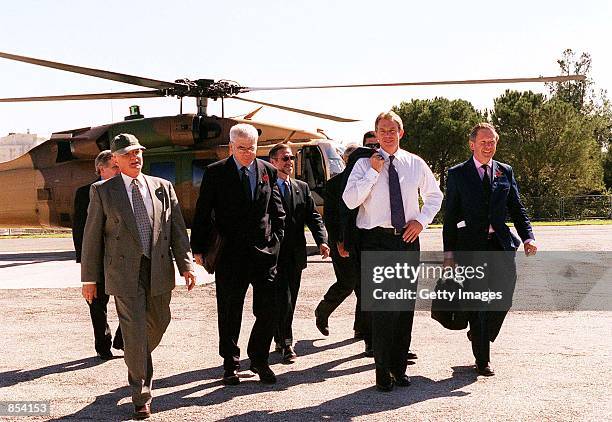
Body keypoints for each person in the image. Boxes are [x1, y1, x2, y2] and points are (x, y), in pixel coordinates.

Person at [81, 134, 196, 420]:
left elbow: (178, 231)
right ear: (115, 160)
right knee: (133, 331)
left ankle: (136, 353)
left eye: (138, 152)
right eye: (128, 154)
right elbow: (92, 238)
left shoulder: (162, 187)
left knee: (159, 321)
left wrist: (187, 265)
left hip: (158, 268)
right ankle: (141, 394)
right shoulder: (103, 192)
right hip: (122, 272)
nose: (135, 157)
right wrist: (89, 280)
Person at [343, 111, 443, 391]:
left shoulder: (415, 163)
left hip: (407, 240)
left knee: (403, 308)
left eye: (392, 129)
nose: (387, 134)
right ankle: (382, 371)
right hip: (376, 240)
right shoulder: (364, 164)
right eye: (382, 130)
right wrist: (373, 173)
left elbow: (435, 196)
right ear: (375, 134)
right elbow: (350, 201)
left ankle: (399, 369)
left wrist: (421, 221)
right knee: (384, 309)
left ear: (401, 132)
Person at [190, 123, 285, 385]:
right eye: (241, 148)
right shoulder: (216, 173)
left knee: (269, 309)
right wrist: (197, 248)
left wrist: (277, 239)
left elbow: (276, 211)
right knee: (230, 311)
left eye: (252, 148)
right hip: (230, 255)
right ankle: (230, 362)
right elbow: (202, 212)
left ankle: (259, 359)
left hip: (264, 253)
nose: (247, 153)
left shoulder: (268, 171)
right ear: (231, 147)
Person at [443, 122, 537, 377]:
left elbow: (517, 208)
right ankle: (482, 359)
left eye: (492, 141)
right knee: (479, 303)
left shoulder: (505, 171)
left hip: (500, 245)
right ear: (472, 144)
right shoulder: (457, 174)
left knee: (504, 297)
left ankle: (478, 333)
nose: (488, 146)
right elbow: (449, 216)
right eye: (483, 142)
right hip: (470, 247)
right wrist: (449, 253)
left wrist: (528, 237)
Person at [269, 143, 329, 363]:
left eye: (291, 158)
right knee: (281, 299)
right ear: (273, 162)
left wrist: (322, 241)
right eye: (285, 158)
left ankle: (279, 337)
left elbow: (313, 217)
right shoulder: (266, 187)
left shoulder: (301, 188)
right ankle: (286, 342)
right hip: (272, 255)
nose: (289, 162)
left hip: (294, 255)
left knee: (290, 299)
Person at [72, 150, 122, 360]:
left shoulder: (126, 190)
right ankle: (103, 346)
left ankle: (122, 339)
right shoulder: (85, 193)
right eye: (115, 167)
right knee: (97, 303)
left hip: (121, 257)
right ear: (101, 169)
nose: (119, 171)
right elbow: (80, 229)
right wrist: (86, 265)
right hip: (98, 259)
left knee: (132, 301)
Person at [314, 144, 366, 342]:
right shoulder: (334, 184)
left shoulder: (369, 181)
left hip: (364, 242)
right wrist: (338, 241)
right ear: (345, 161)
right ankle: (323, 310)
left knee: (365, 288)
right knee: (347, 283)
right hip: (342, 242)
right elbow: (331, 217)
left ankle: (362, 331)